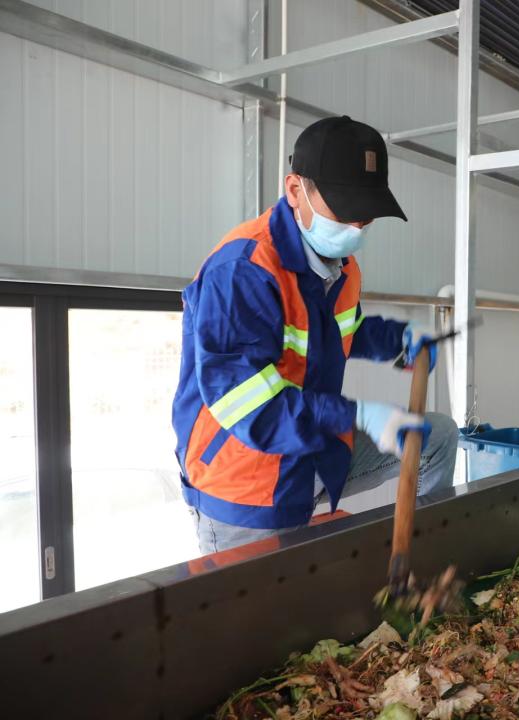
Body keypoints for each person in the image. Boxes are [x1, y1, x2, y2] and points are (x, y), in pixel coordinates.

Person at [172, 116, 458, 555]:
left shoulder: (341, 268)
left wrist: (399, 339)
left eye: (366, 216)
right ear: (294, 191)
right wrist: (357, 414)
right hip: (245, 479)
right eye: (345, 210)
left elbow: (343, 332)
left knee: (435, 439)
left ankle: (421, 562)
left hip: (310, 450)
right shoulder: (243, 270)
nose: (357, 229)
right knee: (264, 618)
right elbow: (250, 407)